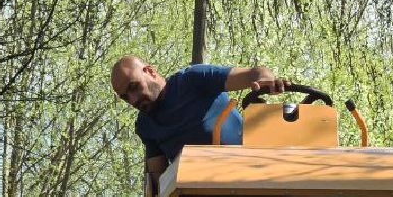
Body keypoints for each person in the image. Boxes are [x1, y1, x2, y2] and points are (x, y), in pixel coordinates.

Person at [110, 56, 288, 183]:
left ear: (150, 72)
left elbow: (255, 73)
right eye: (125, 97)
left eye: (134, 87)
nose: (133, 100)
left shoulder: (193, 79)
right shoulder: (145, 125)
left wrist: (265, 80)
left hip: (254, 176)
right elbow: (159, 179)